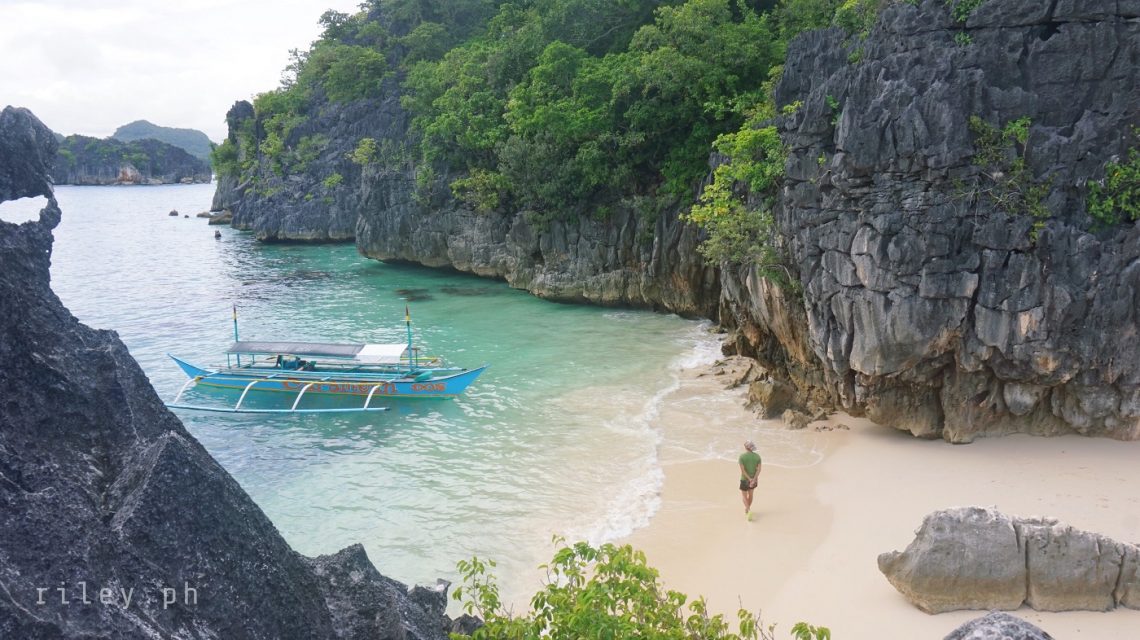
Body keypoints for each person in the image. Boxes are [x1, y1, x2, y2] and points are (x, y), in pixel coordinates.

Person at [738, 440, 761, 521]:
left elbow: (743, 471)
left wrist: (749, 479)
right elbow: (759, 470)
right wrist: (753, 479)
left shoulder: (742, 457)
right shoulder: (757, 456)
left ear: (746, 447)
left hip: (744, 479)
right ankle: (747, 510)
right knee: (750, 495)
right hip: (754, 480)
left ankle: (749, 510)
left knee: (744, 496)